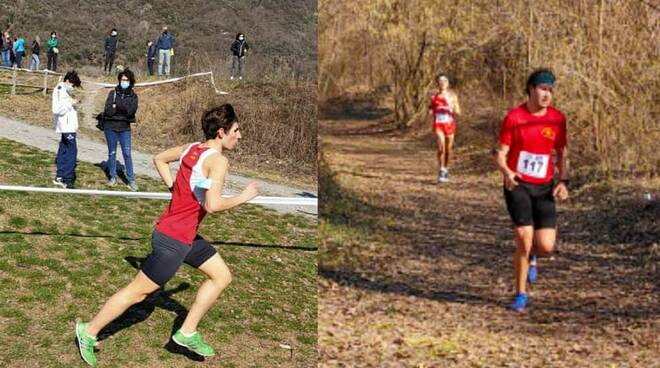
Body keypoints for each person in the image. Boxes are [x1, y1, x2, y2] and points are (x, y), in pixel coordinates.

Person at [75, 104, 258, 366]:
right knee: (137, 293)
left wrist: (176, 188)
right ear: (221, 132)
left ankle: (186, 332)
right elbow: (213, 205)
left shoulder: (191, 148)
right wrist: (244, 197)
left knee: (221, 276)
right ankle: (88, 331)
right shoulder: (218, 161)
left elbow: (159, 158)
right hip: (174, 240)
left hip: (183, 235)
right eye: (236, 130)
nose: (239, 135)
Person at [494, 69, 569, 312]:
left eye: (550, 90)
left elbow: (562, 153)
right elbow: (500, 154)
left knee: (546, 246)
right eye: (542, 89)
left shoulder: (557, 119)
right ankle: (520, 293)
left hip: (545, 187)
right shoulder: (515, 117)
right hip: (519, 185)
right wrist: (507, 172)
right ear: (531, 89)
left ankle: (534, 257)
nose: (547, 94)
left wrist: (563, 181)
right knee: (524, 240)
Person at [101, 69, 139, 191]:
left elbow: (131, 112)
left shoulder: (133, 96)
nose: (124, 82)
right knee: (112, 153)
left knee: (127, 154)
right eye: (122, 79)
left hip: (125, 128)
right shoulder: (112, 93)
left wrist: (117, 106)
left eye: (127, 80)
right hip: (110, 127)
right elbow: (108, 110)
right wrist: (120, 108)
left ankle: (131, 179)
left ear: (130, 81)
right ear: (119, 80)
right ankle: (112, 177)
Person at [52, 70, 82, 189]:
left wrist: (73, 103)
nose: (73, 88)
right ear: (68, 81)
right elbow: (57, 109)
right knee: (72, 151)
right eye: (73, 85)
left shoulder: (64, 91)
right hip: (66, 126)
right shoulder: (60, 90)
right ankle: (67, 179)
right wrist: (71, 104)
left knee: (64, 149)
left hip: (69, 126)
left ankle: (60, 175)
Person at [428, 74, 461, 182]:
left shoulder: (452, 96)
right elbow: (430, 108)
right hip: (438, 124)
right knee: (441, 147)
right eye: (440, 81)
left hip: (450, 125)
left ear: (448, 83)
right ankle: (441, 169)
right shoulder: (434, 97)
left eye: (444, 81)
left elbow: (458, 112)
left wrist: (451, 107)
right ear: (438, 83)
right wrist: (430, 111)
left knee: (448, 150)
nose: (442, 83)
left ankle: (446, 168)